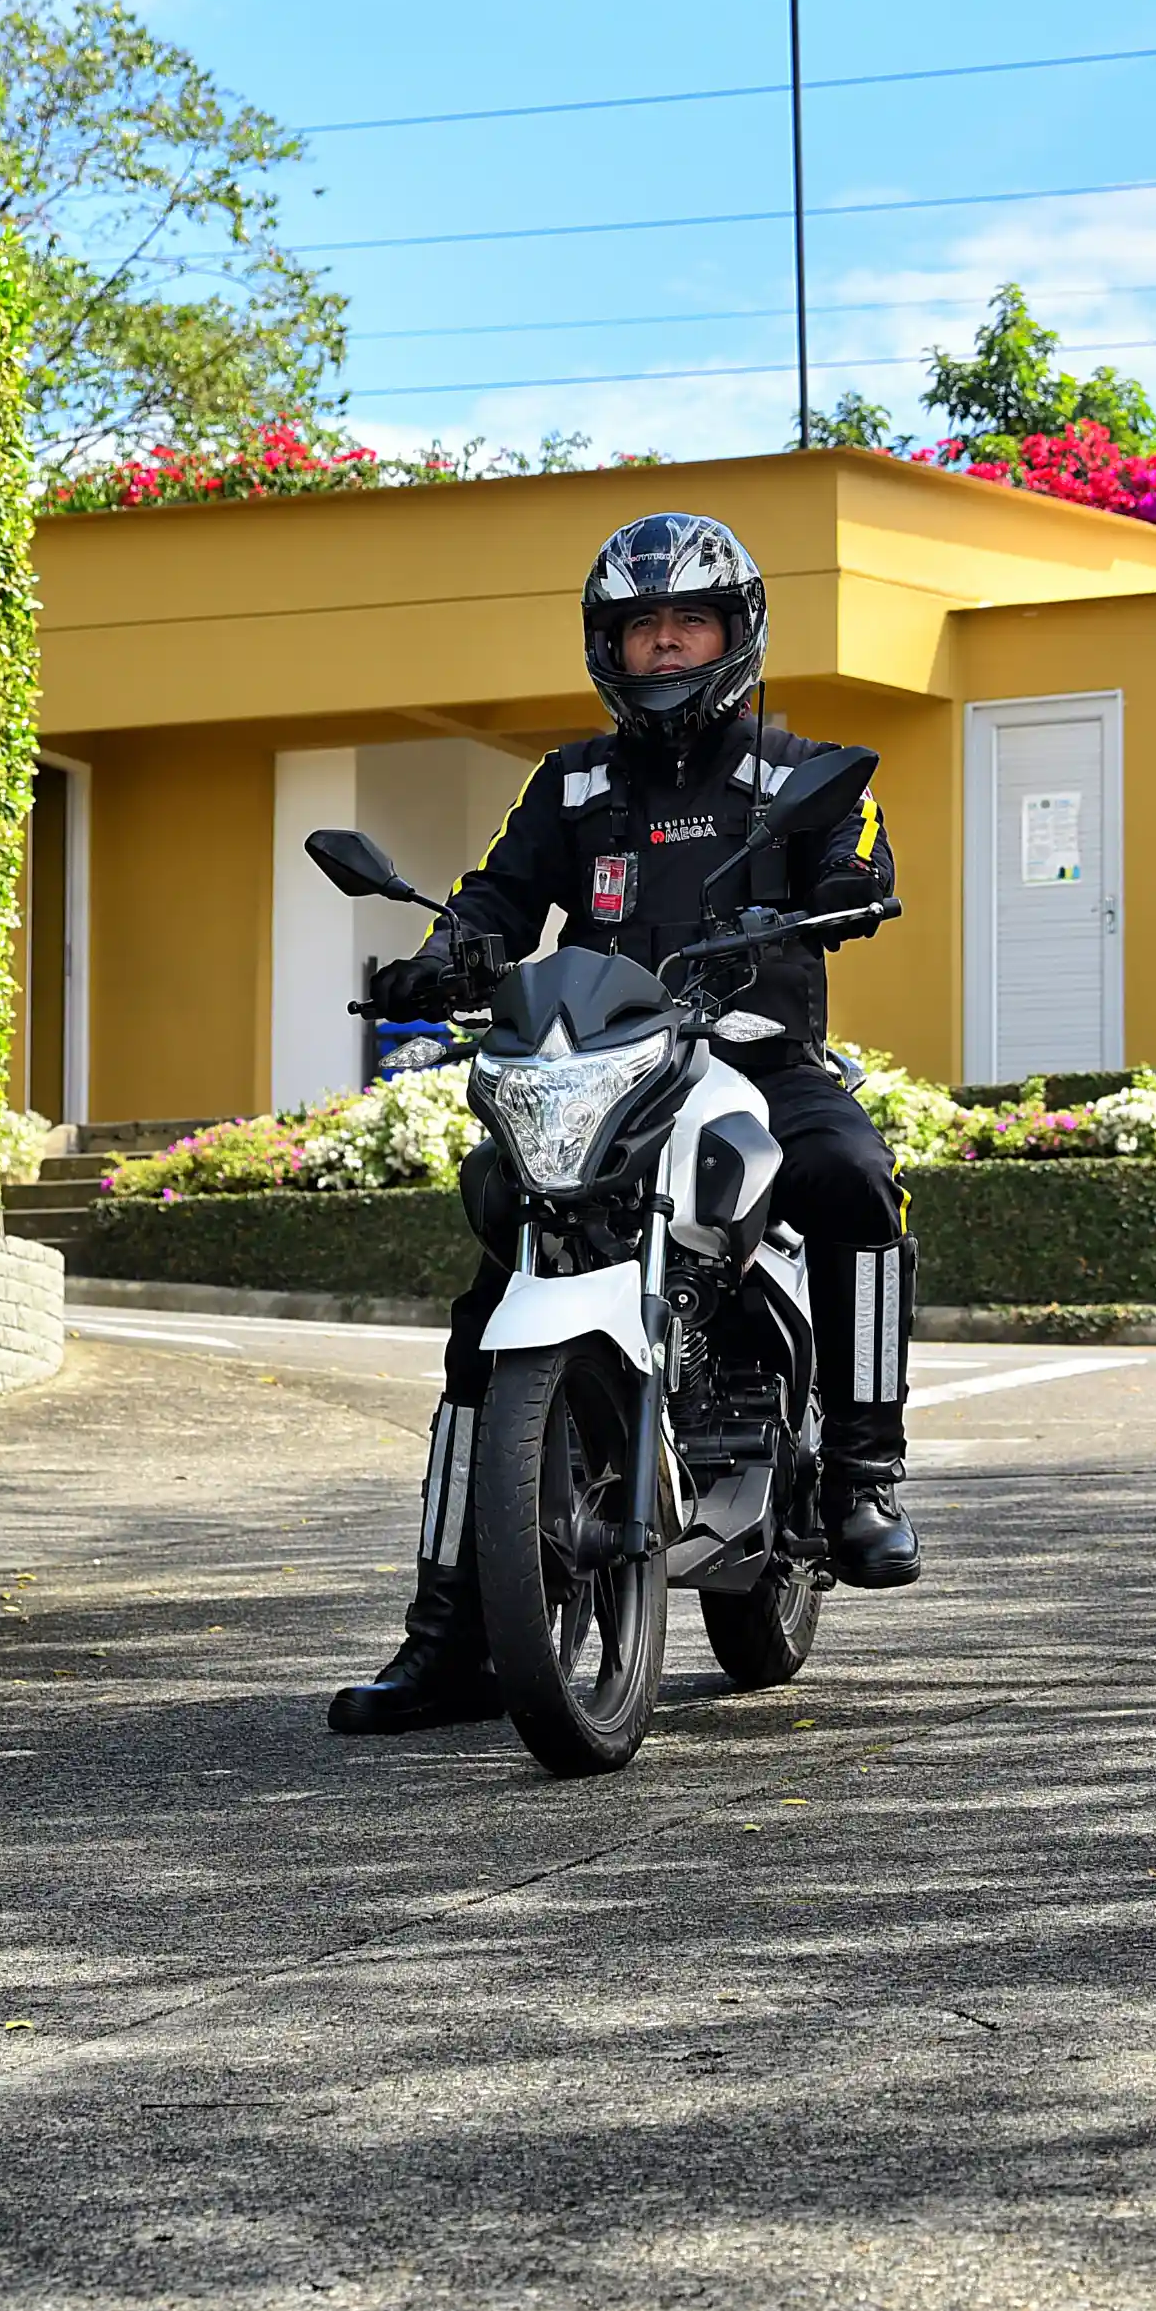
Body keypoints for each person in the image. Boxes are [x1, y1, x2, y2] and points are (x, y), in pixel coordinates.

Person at [327, 510, 919, 1738]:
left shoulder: (798, 769)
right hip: (603, 1068)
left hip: (756, 1061)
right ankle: (449, 1637)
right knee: (485, 1314)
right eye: (641, 626)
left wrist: (849, 893)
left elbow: (851, 850)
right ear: (609, 644)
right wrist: (444, 953)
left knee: (855, 1175)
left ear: (735, 631)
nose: (663, 646)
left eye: (686, 621)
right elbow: (496, 893)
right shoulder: (573, 783)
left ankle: (863, 1474)